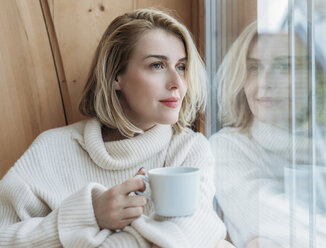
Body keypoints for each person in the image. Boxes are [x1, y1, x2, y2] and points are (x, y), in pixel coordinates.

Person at [0, 9, 230, 247]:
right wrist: (89, 215)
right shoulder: (51, 150)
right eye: (157, 65)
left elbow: (197, 233)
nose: (177, 83)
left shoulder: (189, 149)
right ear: (115, 76)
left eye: (181, 67)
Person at [210, 22, 313, 248]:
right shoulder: (227, 146)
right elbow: (273, 225)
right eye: (254, 68)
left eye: (284, 66)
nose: (265, 83)